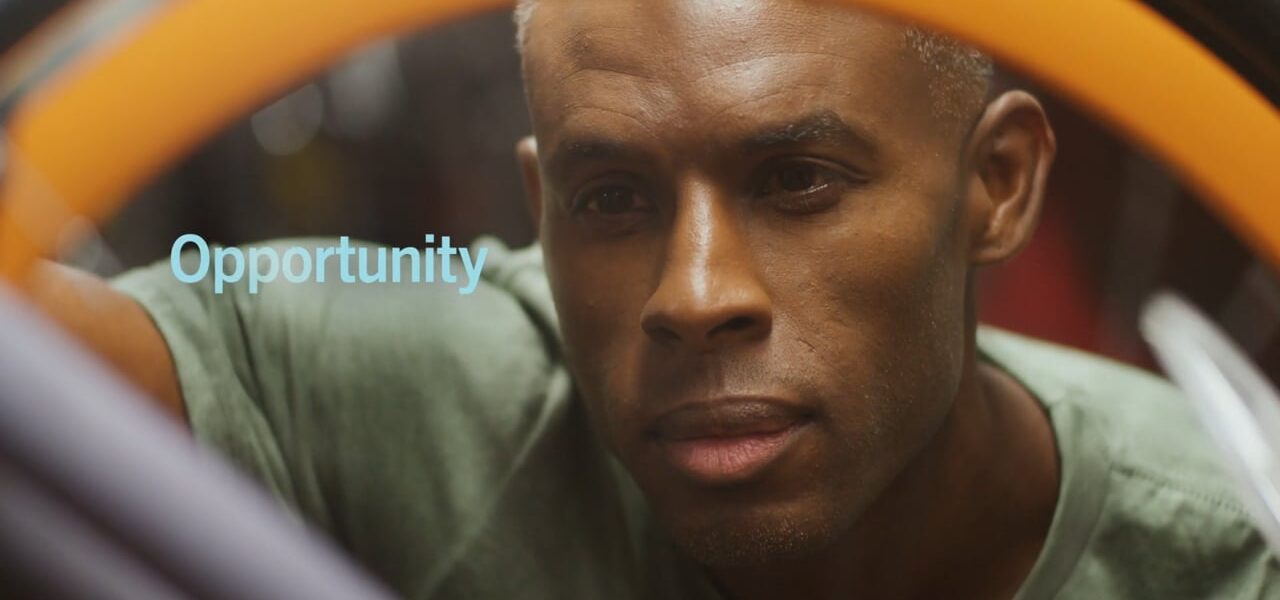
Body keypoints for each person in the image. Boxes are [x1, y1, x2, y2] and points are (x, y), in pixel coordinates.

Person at [25, 0, 1279, 598]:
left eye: (797, 180)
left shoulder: (1238, 546)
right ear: (539, 207)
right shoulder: (431, 386)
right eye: (611, 199)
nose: (693, 295)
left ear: (996, 184)